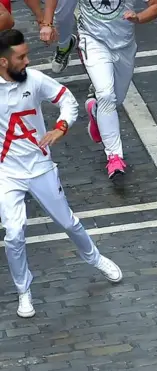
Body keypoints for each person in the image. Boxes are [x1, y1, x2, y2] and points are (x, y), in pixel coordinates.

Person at [0, 29, 123, 318]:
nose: (27, 61)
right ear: (3, 62)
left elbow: (67, 99)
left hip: (41, 167)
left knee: (68, 222)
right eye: (21, 57)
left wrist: (61, 126)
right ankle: (23, 290)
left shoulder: (34, 80)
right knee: (14, 234)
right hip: (7, 173)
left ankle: (95, 258)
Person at [78, 0, 157, 180]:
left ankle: (95, 111)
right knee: (106, 95)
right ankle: (114, 156)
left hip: (124, 44)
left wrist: (138, 17)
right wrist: (46, 23)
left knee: (114, 100)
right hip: (92, 40)